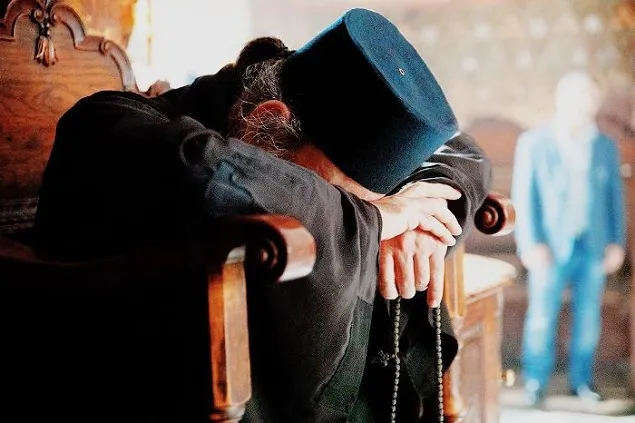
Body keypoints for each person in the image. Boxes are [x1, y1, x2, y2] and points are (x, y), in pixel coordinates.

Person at [33, 8, 491, 422]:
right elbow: (200, 167)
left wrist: (421, 215)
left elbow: (462, 151)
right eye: (342, 198)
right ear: (265, 121)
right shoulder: (111, 125)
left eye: (372, 202)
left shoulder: (314, 109)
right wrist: (377, 221)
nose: (359, 217)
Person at [512, 70, 626, 407]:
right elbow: (524, 196)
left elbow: (614, 198)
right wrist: (531, 243)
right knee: (541, 316)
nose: (584, 103)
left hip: (593, 246)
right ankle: (535, 381)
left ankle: (582, 381)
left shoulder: (604, 145)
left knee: (588, 318)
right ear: (561, 99)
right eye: (578, 95)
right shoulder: (534, 142)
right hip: (549, 247)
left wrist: (616, 243)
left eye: (590, 97)